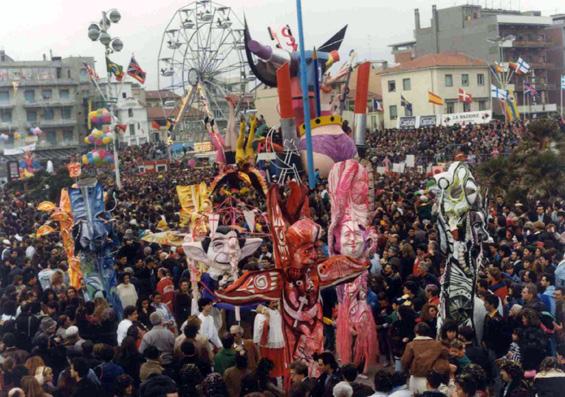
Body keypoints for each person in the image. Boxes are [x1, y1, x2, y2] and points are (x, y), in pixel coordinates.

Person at [401, 322, 449, 394]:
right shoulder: (438, 344)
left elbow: (405, 361)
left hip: (416, 378)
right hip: (433, 380)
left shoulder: (411, 345)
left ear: (416, 332)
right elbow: (446, 355)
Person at [253, 302, 285, 379]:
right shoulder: (261, 315)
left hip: (280, 345)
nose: (276, 303)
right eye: (273, 302)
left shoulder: (279, 313)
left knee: (279, 370)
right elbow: (257, 334)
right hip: (266, 347)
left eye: (276, 301)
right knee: (268, 370)